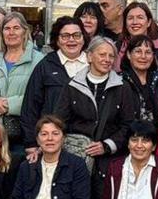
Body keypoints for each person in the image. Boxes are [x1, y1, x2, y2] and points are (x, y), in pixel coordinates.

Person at [54, 36, 136, 172]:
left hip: (109, 161)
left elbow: (128, 124)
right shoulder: (72, 85)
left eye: (111, 56)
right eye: (102, 54)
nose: (107, 60)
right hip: (76, 157)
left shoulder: (122, 87)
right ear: (90, 57)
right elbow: (59, 121)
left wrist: (107, 145)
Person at [0, 11, 44, 157]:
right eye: (7, 28)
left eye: (16, 28)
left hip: (25, 138)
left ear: (25, 31)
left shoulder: (39, 61)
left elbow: (41, 97)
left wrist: (8, 104)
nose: (11, 32)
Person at [21, 16, 88, 149]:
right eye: (65, 36)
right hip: (50, 142)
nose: (71, 40)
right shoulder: (45, 66)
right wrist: (31, 144)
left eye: (76, 35)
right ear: (57, 40)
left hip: (88, 142)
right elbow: (30, 106)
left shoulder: (94, 64)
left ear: (83, 38)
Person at [117, 1, 158, 76]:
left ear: (149, 22)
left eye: (140, 18)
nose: (135, 22)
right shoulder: (117, 47)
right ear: (125, 23)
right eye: (130, 18)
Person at [122, 33, 158, 126]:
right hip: (129, 136)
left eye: (148, 52)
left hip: (157, 136)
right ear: (129, 54)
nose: (143, 57)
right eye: (138, 51)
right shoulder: (120, 82)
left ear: (153, 56)